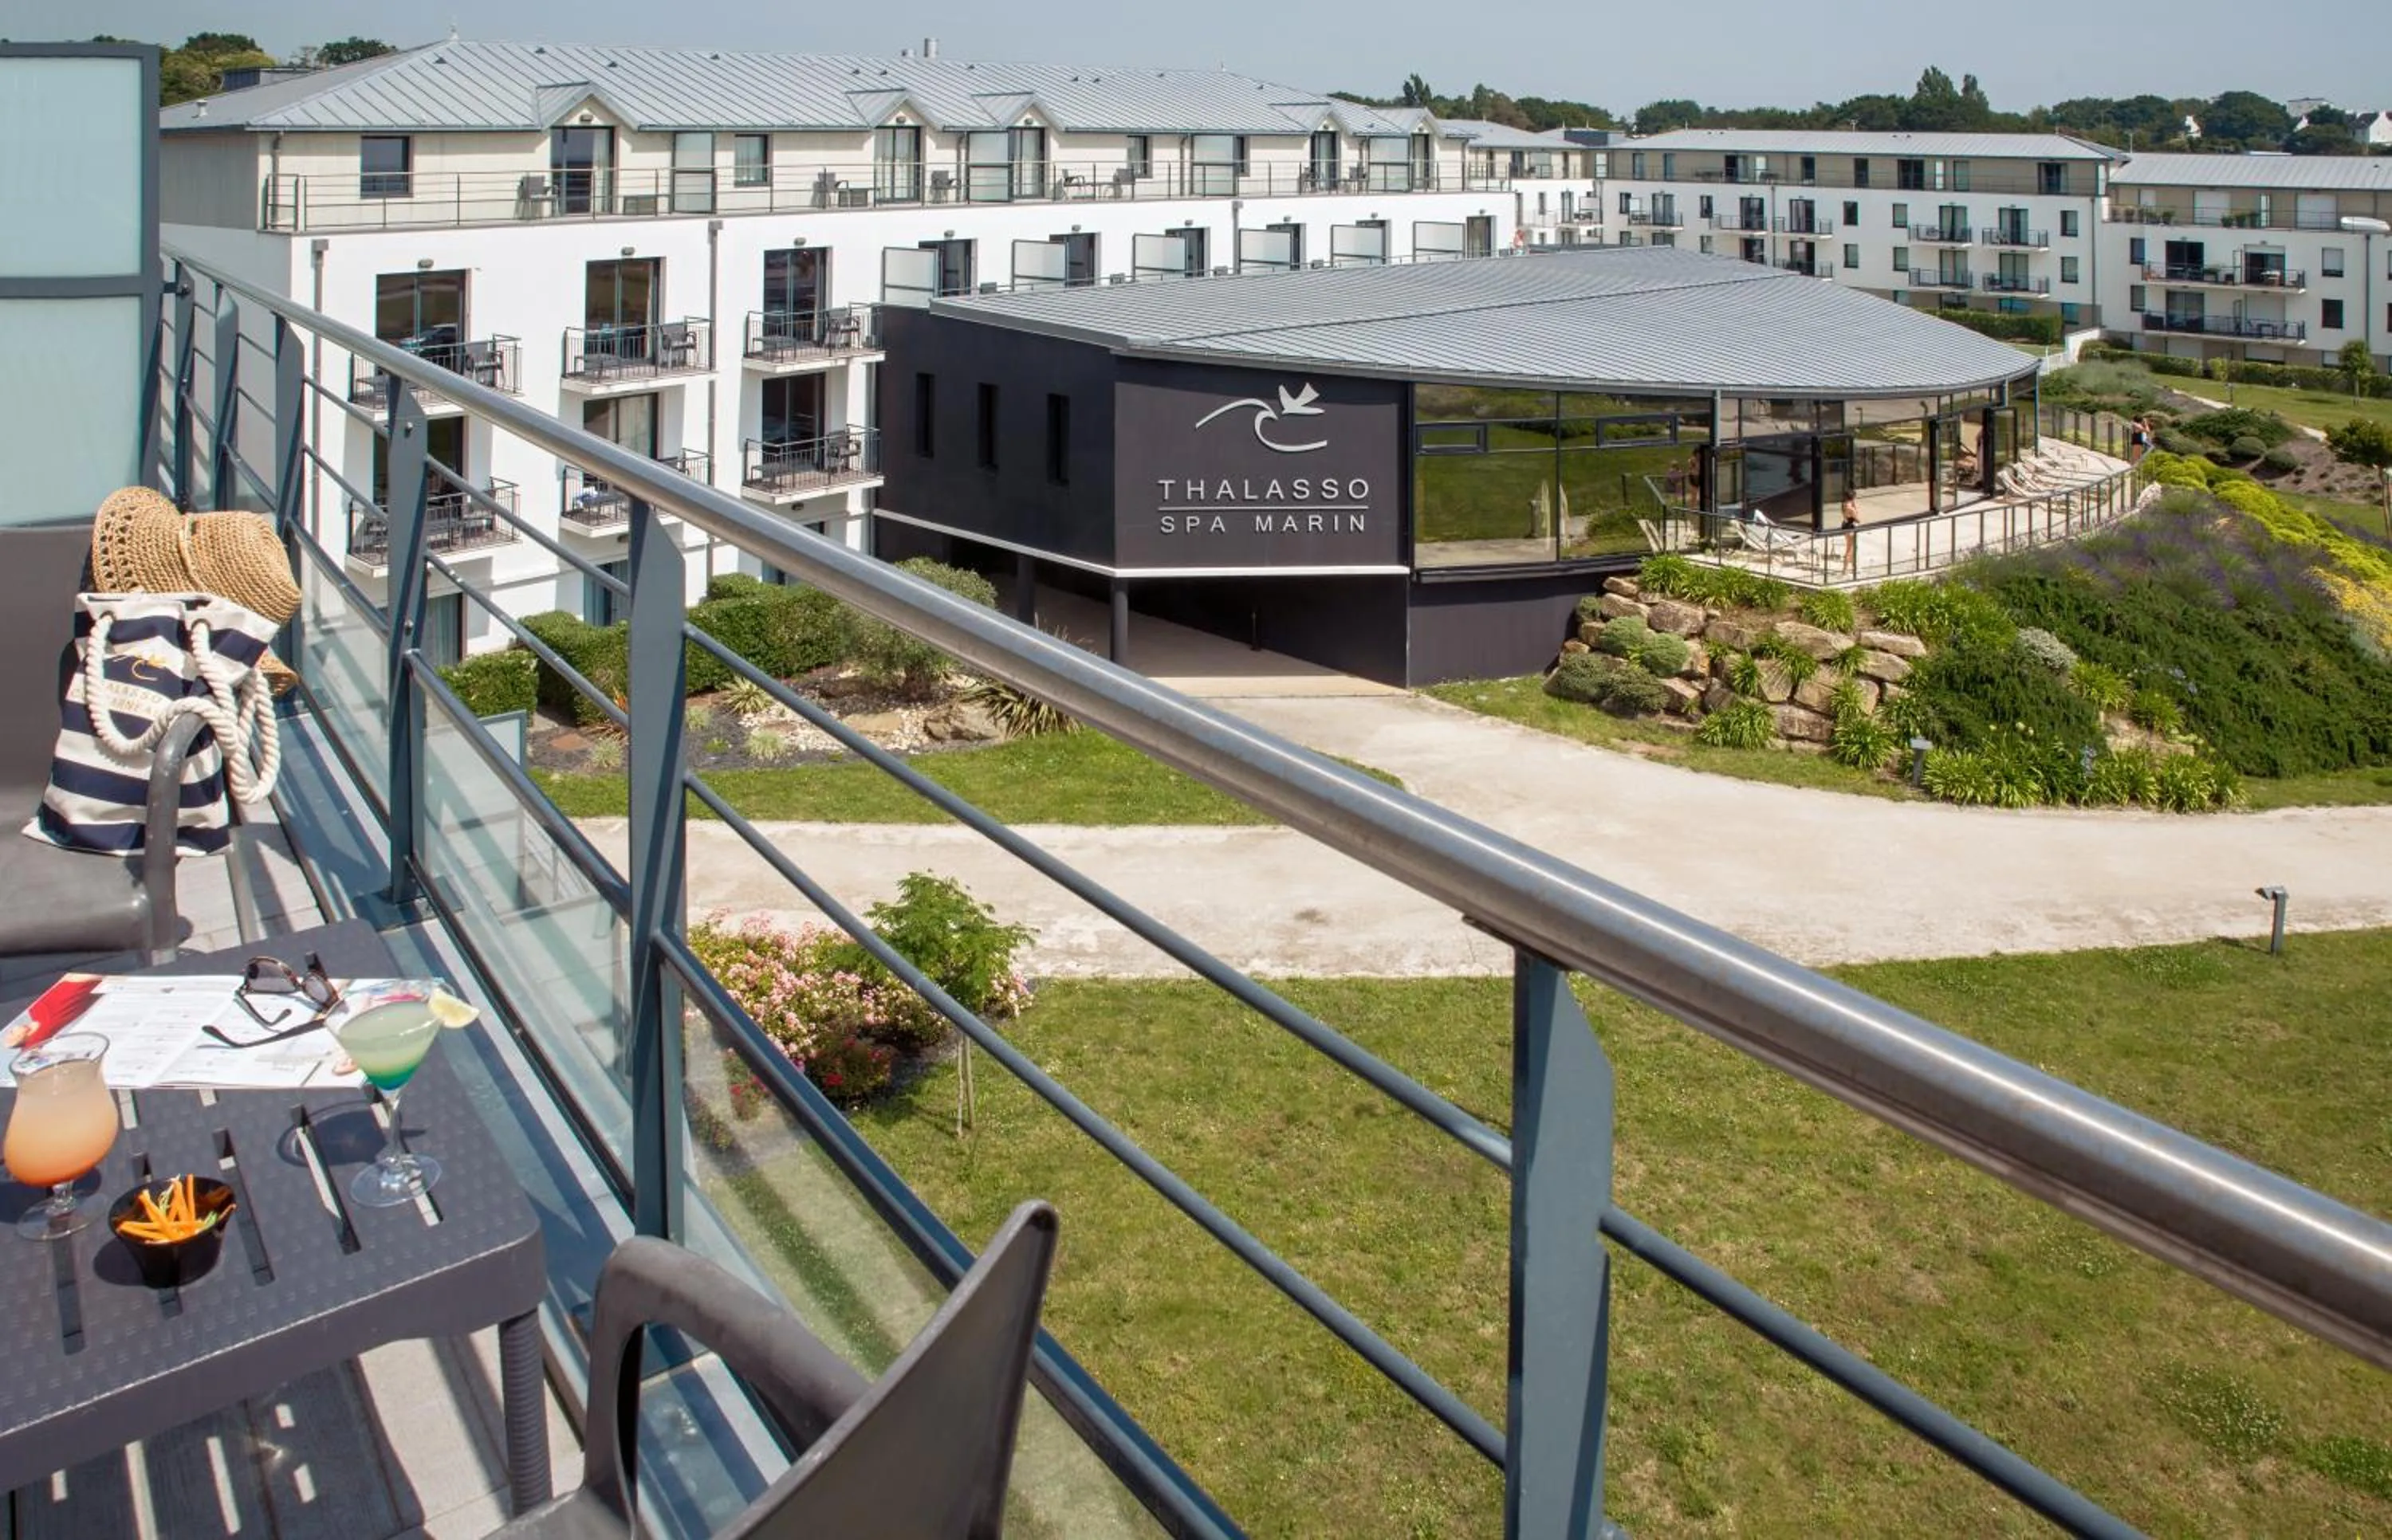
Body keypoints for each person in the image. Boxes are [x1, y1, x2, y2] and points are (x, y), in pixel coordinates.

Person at [1842, 490, 1862, 577]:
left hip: (1846, 526)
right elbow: (1858, 519)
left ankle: (1854, 567)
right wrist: (1856, 508)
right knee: (1850, 549)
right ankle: (1845, 570)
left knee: (1853, 547)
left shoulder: (1844, 504)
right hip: (1851, 528)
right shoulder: (1851, 508)